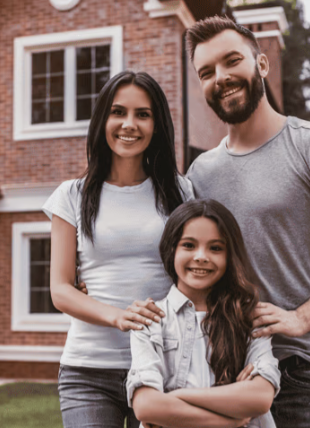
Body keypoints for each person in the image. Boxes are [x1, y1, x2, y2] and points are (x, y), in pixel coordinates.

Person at [185, 16, 310, 427]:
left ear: (262, 64)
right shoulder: (199, 174)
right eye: (206, 72)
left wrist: (301, 318)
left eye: (231, 61)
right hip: (220, 372)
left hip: (299, 371)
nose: (221, 78)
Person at [42, 70, 194, 428]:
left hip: (166, 366)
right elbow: (61, 290)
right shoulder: (72, 196)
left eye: (143, 114)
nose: (130, 124)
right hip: (89, 371)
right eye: (118, 112)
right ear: (102, 120)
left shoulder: (181, 192)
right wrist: (117, 316)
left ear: (157, 124)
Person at [127, 198, 280, 428]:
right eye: (188, 245)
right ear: (171, 248)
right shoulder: (150, 320)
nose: (201, 256)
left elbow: (259, 398)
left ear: (229, 256)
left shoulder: (249, 318)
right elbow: (147, 406)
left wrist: (176, 397)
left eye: (215, 248)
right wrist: (228, 422)